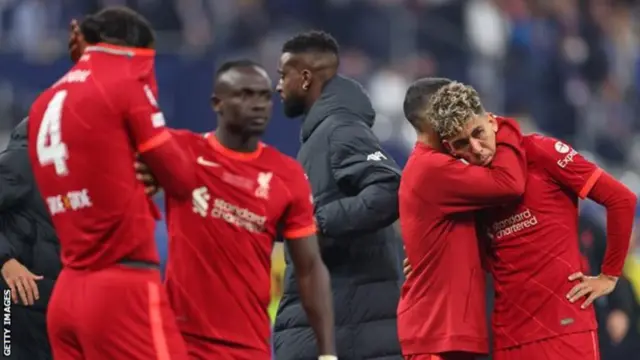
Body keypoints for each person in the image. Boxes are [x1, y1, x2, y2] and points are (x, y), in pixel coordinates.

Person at [27, 6, 195, 359]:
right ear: (137, 52)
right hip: (122, 287)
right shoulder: (124, 85)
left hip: (67, 291)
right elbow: (182, 178)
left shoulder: (44, 102)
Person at [425, 82, 636, 360]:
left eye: (478, 133)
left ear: (491, 121)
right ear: (452, 150)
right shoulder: (469, 191)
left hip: (567, 332)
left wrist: (610, 276)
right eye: (462, 144)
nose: (476, 148)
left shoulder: (540, 151)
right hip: (508, 338)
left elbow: (621, 199)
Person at [147, 59, 335, 360]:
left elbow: (310, 268)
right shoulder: (182, 151)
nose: (258, 104)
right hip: (181, 342)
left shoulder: (287, 176)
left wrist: (327, 352)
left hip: (249, 347)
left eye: (263, 96)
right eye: (245, 95)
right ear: (217, 103)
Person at [274, 30, 404, 360]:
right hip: (342, 328)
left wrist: (313, 223)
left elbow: (388, 189)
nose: (278, 87)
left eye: (282, 76)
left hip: (352, 334)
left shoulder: (341, 128)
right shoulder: (321, 136)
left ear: (304, 78)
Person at [399, 78, 527, 360]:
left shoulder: (436, 165)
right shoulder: (433, 168)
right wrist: (497, 125)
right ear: (438, 115)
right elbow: (509, 183)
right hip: (438, 336)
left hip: (444, 331)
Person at [0, 118, 60, 360]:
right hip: (14, 299)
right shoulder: (21, 162)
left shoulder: (69, 170)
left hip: (50, 303)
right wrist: (6, 262)